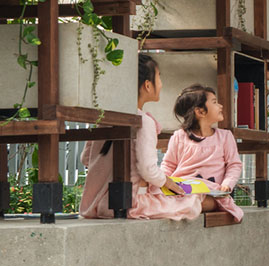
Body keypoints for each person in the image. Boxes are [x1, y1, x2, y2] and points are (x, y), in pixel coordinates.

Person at [78, 54, 202, 221]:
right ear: (148, 85)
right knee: (193, 200)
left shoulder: (105, 118)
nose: (161, 84)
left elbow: (85, 159)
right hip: (129, 204)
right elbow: (148, 169)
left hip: (93, 206)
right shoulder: (144, 121)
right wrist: (167, 182)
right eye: (159, 77)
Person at [162, 84, 244, 222]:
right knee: (166, 199)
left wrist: (227, 183)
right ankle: (175, 206)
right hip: (181, 191)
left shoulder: (225, 137)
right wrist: (163, 181)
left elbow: (234, 165)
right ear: (200, 112)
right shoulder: (179, 136)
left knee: (200, 201)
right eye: (214, 102)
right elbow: (168, 164)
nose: (220, 106)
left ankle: (176, 208)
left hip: (211, 194)